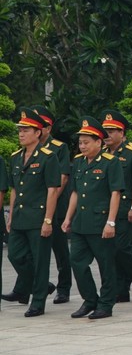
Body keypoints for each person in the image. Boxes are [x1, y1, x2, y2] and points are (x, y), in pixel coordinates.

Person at [60, 116, 123, 319]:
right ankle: (89, 300)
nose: (82, 146)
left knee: (106, 265)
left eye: (86, 142)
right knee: (76, 261)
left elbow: (115, 193)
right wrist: (68, 217)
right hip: (81, 222)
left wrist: (111, 222)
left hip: (100, 222)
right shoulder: (78, 162)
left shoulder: (110, 162)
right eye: (80, 142)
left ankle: (106, 304)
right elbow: (75, 193)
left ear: (98, 142)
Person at [2, 107, 61, 316]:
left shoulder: (48, 157)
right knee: (15, 256)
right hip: (19, 217)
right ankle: (41, 286)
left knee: (40, 260)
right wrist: (10, 216)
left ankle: (37, 302)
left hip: (38, 217)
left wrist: (48, 220)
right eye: (20, 130)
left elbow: (53, 190)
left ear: (38, 133)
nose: (21, 133)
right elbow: (15, 189)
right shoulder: (16, 157)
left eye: (26, 130)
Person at [99, 109, 132, 304]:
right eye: (105, 131)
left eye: (112, 131)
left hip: (126, 207)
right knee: (111, 251)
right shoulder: (102, 153)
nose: (107, 135)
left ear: (121, 132)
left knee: (122, 248)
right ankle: (121, 290)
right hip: (107, 209)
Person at [31, 105, 73, 306]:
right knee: (30, 250)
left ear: (48, 128)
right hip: (33, 208)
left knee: (60, 249)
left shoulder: (59, 147)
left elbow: (63, 178)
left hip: (55, 206)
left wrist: (51, 201)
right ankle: (36, 284)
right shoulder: (28, 150)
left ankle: (64, 288)